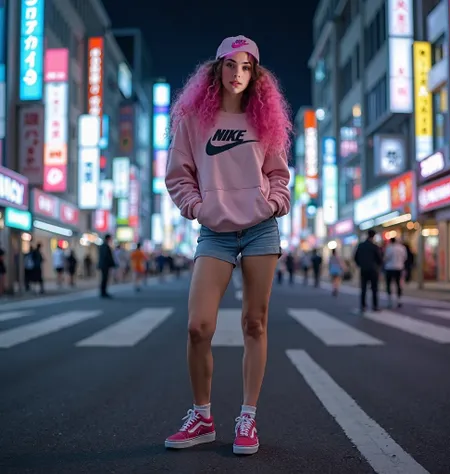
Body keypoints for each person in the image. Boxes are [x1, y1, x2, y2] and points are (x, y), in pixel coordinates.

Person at [164, 35, 291, 455]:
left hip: (260, 229)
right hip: (214, 232)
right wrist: (197, 207)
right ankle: (201, 417)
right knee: (198, 326)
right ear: (215, 69)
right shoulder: (194, 120)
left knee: (255, 323)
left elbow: (278, 174)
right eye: (230, 65)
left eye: (247, 66)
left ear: (256, 73)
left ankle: (247, 418)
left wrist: (274, 202)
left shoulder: (264, 121)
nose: (238, 74)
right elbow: (178, 175)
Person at [354, 229, 383, 313]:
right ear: (373, 236)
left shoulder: (361, 245)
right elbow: (379, 259)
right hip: (373, 270)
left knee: (363, 288)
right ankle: (375, 306)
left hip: (363, 269)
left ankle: (363, 306)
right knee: (374, 288)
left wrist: (360, 265)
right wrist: (377, 266)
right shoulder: (375, 247)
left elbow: (355, 257)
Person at [383, 237, 407, 308]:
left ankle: (389, 300)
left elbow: (386, 258)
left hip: (389, 268)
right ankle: (399, 300)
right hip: (399, 267)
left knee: (388, 284)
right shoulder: (402, 248)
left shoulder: (389, 248)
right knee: (398, 284)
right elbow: (405, 257)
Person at [98, 234, 115, 298]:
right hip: (105, 265)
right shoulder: (105, 246)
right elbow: (106, 256)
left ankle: (103, 292)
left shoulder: (103, 245)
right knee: (104, 278)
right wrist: (112, 263)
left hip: (104, 264)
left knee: (104, 278)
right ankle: (103, 292)